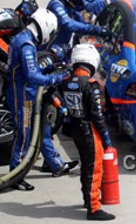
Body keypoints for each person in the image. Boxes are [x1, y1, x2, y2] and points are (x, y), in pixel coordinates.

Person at [5, 9, 71, 191]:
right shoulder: (27, 44)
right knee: (24, 133)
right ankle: (15, 175)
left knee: (42, 128)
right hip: (22, 94)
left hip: (26, 91)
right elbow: (31, 75)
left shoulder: (23, 38)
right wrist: (54, 78)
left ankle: (55, 164)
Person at [57, 43, 115, 221]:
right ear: (91, 62)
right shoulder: (91, 85)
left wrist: (62, 109)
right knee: (94, 169)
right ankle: (93, 208)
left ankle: (87, 199)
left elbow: (53, 96)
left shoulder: (65, 82)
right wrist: (106, 140)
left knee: (86, 166)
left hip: (75, 128)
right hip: (89, 131)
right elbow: (97, 116)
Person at [46, 0, 112, 49]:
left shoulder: (71, 9)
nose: (82, 2)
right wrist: (95, 29)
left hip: (61, 49)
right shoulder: (56, 5)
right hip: (47, 51)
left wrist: (101, 30)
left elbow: (83, 25)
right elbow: (68, 24)